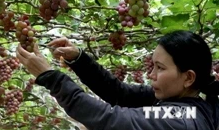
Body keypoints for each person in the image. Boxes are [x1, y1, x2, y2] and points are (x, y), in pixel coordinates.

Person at [16, 30, 219, 130]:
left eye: (160, 68)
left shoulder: (180, 116)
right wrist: (78, 59)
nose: (151, 74)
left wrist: (51, 77)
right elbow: (119, 92)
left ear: (188, 77)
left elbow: (109, 118)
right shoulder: (187, 104)